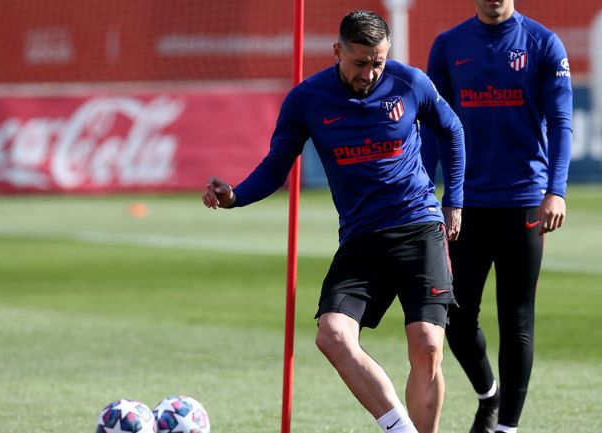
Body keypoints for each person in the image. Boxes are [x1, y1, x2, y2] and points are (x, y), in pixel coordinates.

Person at [202, 10, 465, 433]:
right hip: (362, 238)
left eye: (378, 62)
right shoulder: (307, 99)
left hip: (419, 225)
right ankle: (401, 430)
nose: (370, 73)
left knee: (428, 343)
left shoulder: (410, 82)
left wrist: (454, 200)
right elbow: (275, 168)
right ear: (337, 51)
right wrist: (234, 196)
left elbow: (452, 130)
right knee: (333, 335)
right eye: (360, 63)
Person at [421, 1, 573, 432]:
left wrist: (555, 190)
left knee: (517, 318)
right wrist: (426, 191)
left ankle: (507, 427)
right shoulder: (448, 45)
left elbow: (561, 121)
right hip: (463, 206)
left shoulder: (544, 43)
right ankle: (489, 394)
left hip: (523, 201)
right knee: (454, 315)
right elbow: (433, 125)